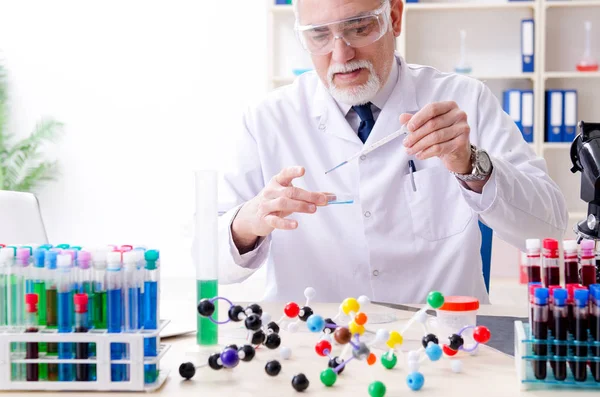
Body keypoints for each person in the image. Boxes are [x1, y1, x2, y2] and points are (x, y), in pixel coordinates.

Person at [215, 0, 568, 304]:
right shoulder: (267, 120)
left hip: (442, 343)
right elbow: (211, 262)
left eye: (359, 27)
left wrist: (471, 164)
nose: (341, 55)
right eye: (319, 35)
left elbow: (549, 228)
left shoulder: (465, 100)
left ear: (394, 17)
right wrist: (249, 221)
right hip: (312, 346)